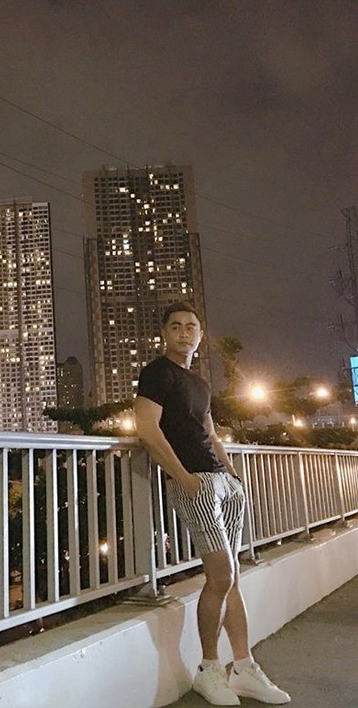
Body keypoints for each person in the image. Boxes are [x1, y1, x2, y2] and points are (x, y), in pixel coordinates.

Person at [130, 302, 290, 706]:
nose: (185, 333)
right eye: (176, 327)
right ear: (164, 333)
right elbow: (146, 428)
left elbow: (210, 434)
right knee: (220, 574)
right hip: (195, 482)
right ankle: (209, 668)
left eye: (192, 327)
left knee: (232, 575)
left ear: (200, 336)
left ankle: (244, 667)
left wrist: (233, 474)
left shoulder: (199, 383)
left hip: (223, 483)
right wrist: (184, 478)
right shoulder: (156, 373)